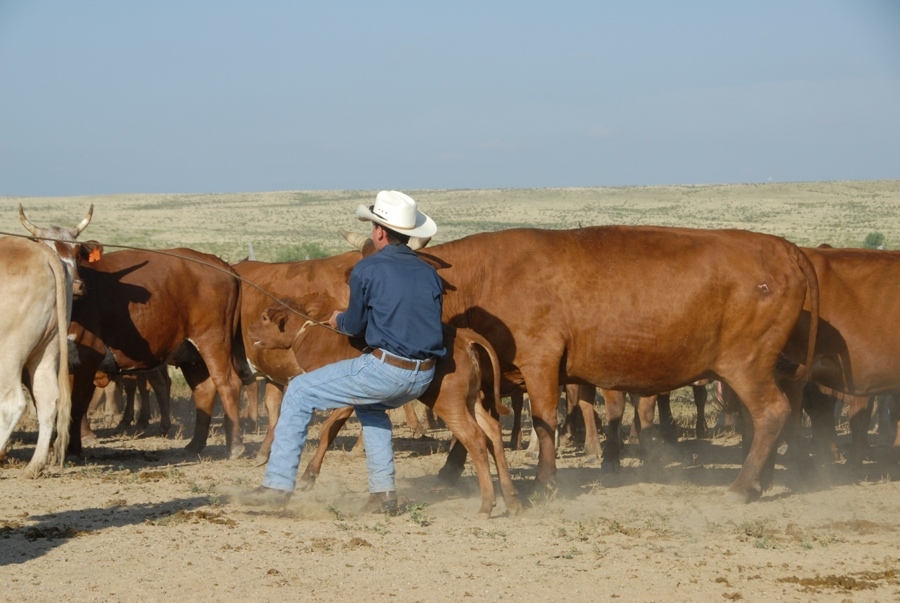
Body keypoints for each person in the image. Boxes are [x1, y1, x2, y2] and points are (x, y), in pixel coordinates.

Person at [237, 190, 446, 514]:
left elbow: (355, 325)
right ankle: (383, 494)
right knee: (372, 409)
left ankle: (277, 485)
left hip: (387, 370)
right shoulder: (429, 273)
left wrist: (338, 319)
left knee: (300, 391)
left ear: (379, 231)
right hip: (424, 374)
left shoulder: (369, 268)